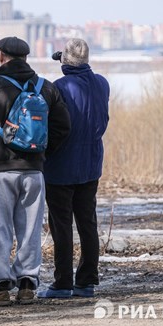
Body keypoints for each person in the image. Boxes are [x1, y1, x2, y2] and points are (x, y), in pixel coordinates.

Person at [0, 36, 71, 306]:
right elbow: (63, 127)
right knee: (30, 230)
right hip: (34, 171)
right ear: (26, 57)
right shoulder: (45, 88)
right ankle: (27, 286)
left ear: (1, 56)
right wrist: (42, 153)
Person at [38, 38, 110, 299]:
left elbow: (52, 126)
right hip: (91, 164)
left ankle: (62, 283)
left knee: (61, 225)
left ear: (65, 61)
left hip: (60, 167)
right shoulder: (102, 83)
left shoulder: (59, 87)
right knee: (87, 223)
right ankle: (86, 281)